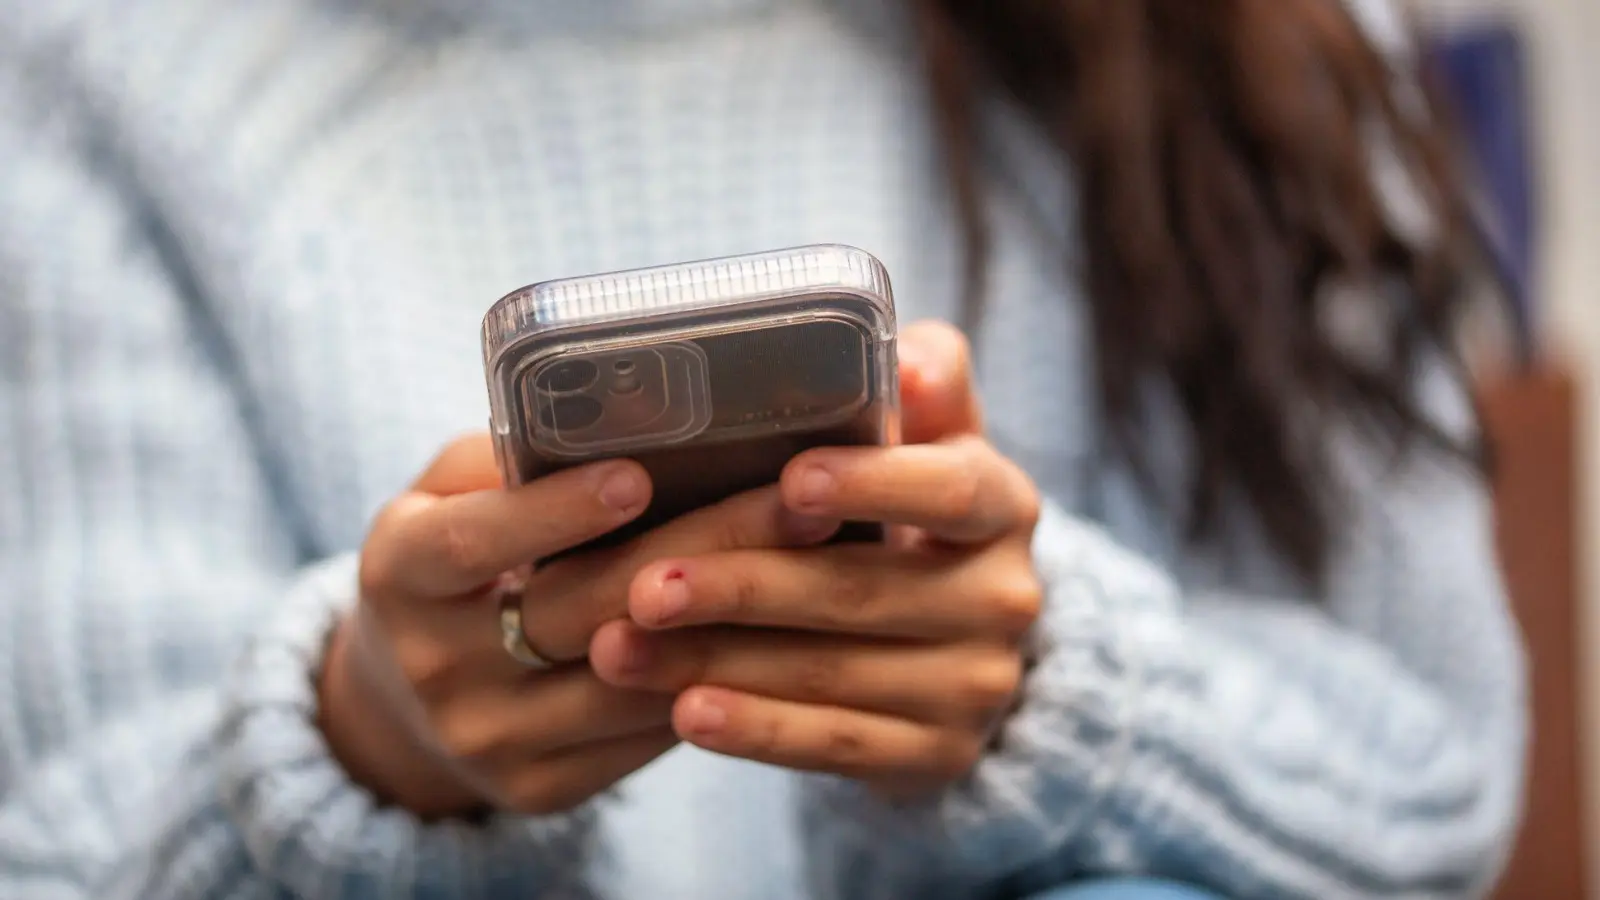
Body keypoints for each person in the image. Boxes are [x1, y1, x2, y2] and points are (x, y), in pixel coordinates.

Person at [0, 0, 1527, 898]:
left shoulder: (1241, 44)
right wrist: (357, 745)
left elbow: (1437, 775)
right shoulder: (89, 63)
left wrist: (1056, 691)